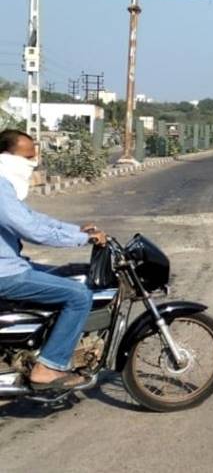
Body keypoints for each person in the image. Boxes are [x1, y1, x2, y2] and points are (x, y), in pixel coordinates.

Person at [0, 129, 109, 390]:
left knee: (67, 274)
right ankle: (48, 366)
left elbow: (34, 218)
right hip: (6, 273)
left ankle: (39, 346)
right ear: (6, 156)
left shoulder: (5, 187)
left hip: (10, 265)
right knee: (80, 295)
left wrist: (78, 231)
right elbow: (31, 230)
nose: (33, 163)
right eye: (27, 157)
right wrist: (83, 240)